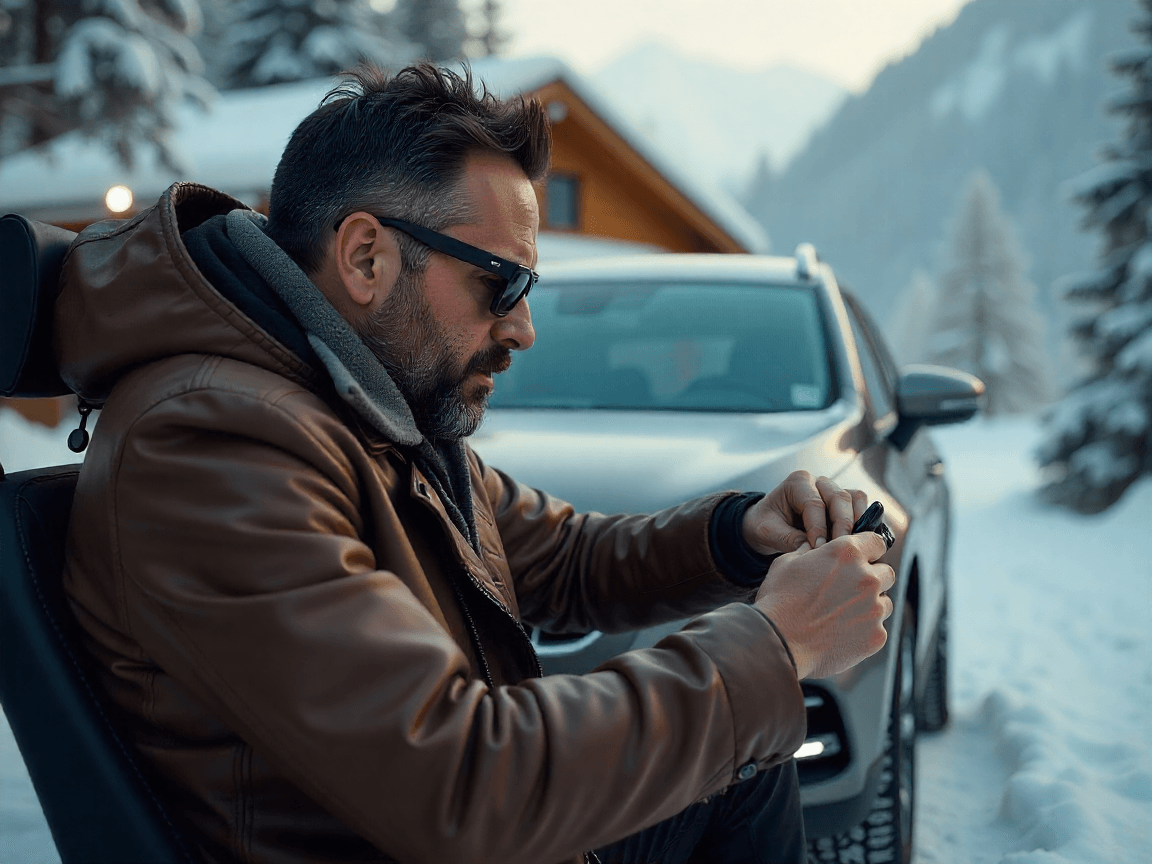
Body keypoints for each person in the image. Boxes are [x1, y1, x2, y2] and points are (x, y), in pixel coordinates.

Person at [58, 64, 895, 864]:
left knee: (742, 769)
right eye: (501, 285)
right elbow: (461, 780)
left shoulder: (361, 410)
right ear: (365, 257)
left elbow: (565, 559)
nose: (523, 329)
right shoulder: (214, 444)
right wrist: (776, 647)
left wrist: (739, 537)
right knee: (740, 746)